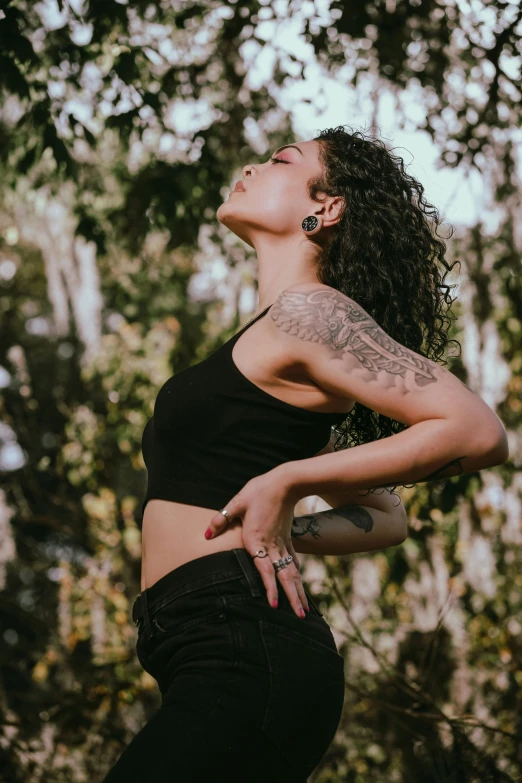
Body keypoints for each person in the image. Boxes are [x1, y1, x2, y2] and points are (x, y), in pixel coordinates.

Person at [102, 127, 508, 782]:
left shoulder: (310, 313)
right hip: (204, 641)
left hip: (242, 648)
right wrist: (281, 524)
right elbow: (387, 517)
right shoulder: (276, 335)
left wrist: (290, 480)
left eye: (282, 159)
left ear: (329, 207)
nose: (252, 164)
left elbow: (475, 432)